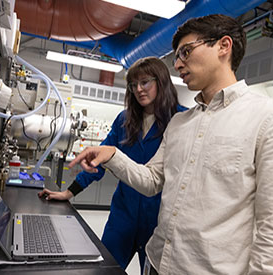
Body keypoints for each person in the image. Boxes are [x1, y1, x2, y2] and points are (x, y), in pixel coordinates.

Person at [68, 14, 273, 275]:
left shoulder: (272, 119)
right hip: (158, 263)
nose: (178, 64)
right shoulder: (180, 123)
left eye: (186, 52)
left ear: (224, 46)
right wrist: (112, 154)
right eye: (177, 56)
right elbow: (151, 181)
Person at [38, 57, 187, 272]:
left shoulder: (181, 120)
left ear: (161, 82)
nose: (138, 89)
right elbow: (98, 161)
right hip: (123, 217)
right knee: (105, 270)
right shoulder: (125, 120)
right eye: (133, 85)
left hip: (158, 222)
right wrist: (69, 193)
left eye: (145, 82)